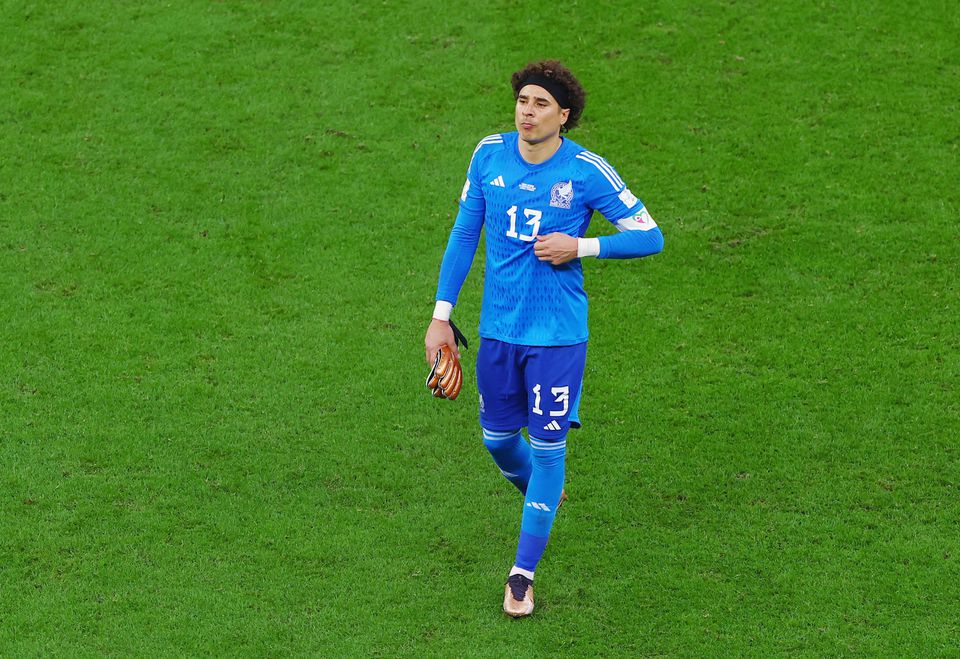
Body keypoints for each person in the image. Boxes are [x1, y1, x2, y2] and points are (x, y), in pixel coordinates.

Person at [424, 60, 664, 617]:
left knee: (550, 446)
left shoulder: (586, 171)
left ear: (564, 115)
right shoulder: (489, 154)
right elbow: (465, 233)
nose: (527, 112)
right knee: (497, 441)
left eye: (540, 105)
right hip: (497, 333)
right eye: (522, 101)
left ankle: (521, 574)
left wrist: (580, 247)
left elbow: (650, 237)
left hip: (557, 337)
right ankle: (544, 496)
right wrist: (441, 315)